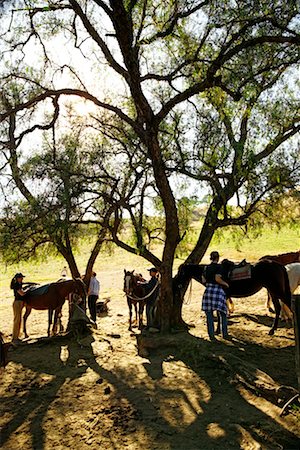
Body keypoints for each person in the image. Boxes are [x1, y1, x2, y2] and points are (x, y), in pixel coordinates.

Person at [201, 251, 229, 341]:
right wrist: (225, 284)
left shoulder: (206, 268)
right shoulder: (219, 267)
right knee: (223, 313)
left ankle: (211, 336)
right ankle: (225, 334)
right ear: (218, 258)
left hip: (208, 291)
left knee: (209, 314)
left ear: (211, 258)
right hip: (217, 291)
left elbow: (203, 280)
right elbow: (217, 278)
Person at [11, 273, 28, 344]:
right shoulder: (16, 285)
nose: (22, 279)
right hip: (17, 303)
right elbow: (22, 293)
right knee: (17, 320)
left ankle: (17, 336)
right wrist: (27, 290)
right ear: (17, 278)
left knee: (19, 320)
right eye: (21, 278)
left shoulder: (18, 284)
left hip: (19, 303)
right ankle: (14, 338)